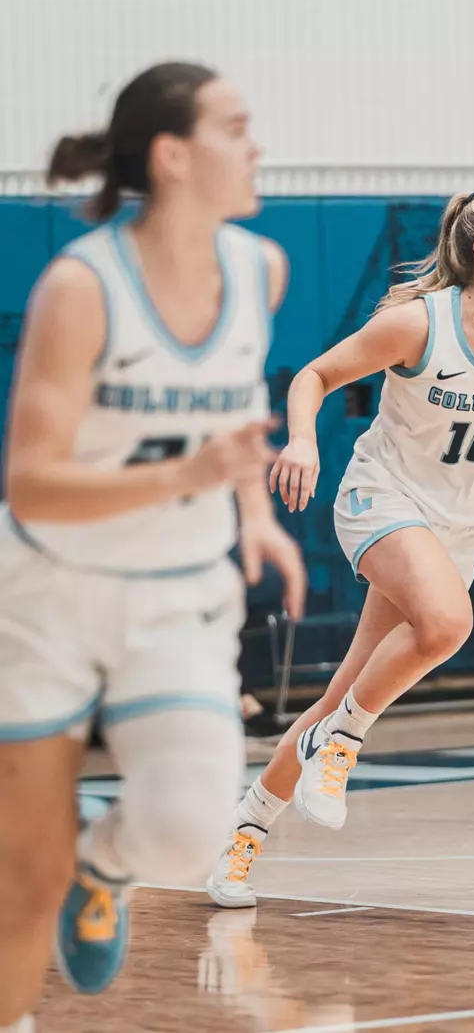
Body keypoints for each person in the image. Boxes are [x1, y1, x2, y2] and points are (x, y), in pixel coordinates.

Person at [206, 189, 474, 908]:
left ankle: (246, 832)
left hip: (460, 527)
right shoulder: (417, 325)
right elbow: (314, 376)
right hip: (382, 500)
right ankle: (342, 746)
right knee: (447, 624)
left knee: (342, 691)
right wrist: (302, 439)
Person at [0, 61, 306, 1032]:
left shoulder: (260, 268)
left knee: (183, 828)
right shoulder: (81, 286)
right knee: (22, 875)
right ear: (173, 154)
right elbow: (31, 479)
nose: (257, 145)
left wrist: (253, 511)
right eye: (236, 126)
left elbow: (238, 415)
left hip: (177, 590)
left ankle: (109, 865)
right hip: (51, 588)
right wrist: (189, 477)